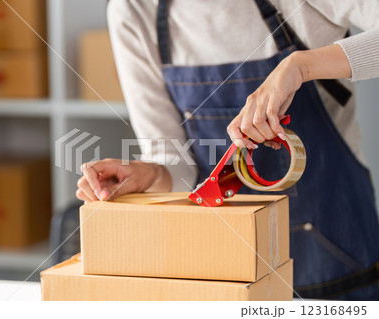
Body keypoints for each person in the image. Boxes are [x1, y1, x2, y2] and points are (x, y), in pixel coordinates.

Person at [76, 0, 379, 300]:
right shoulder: (133, 9)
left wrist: (300, 66)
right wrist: (152, 173)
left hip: (337, 258)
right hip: (224, 268)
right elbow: (174, 160)